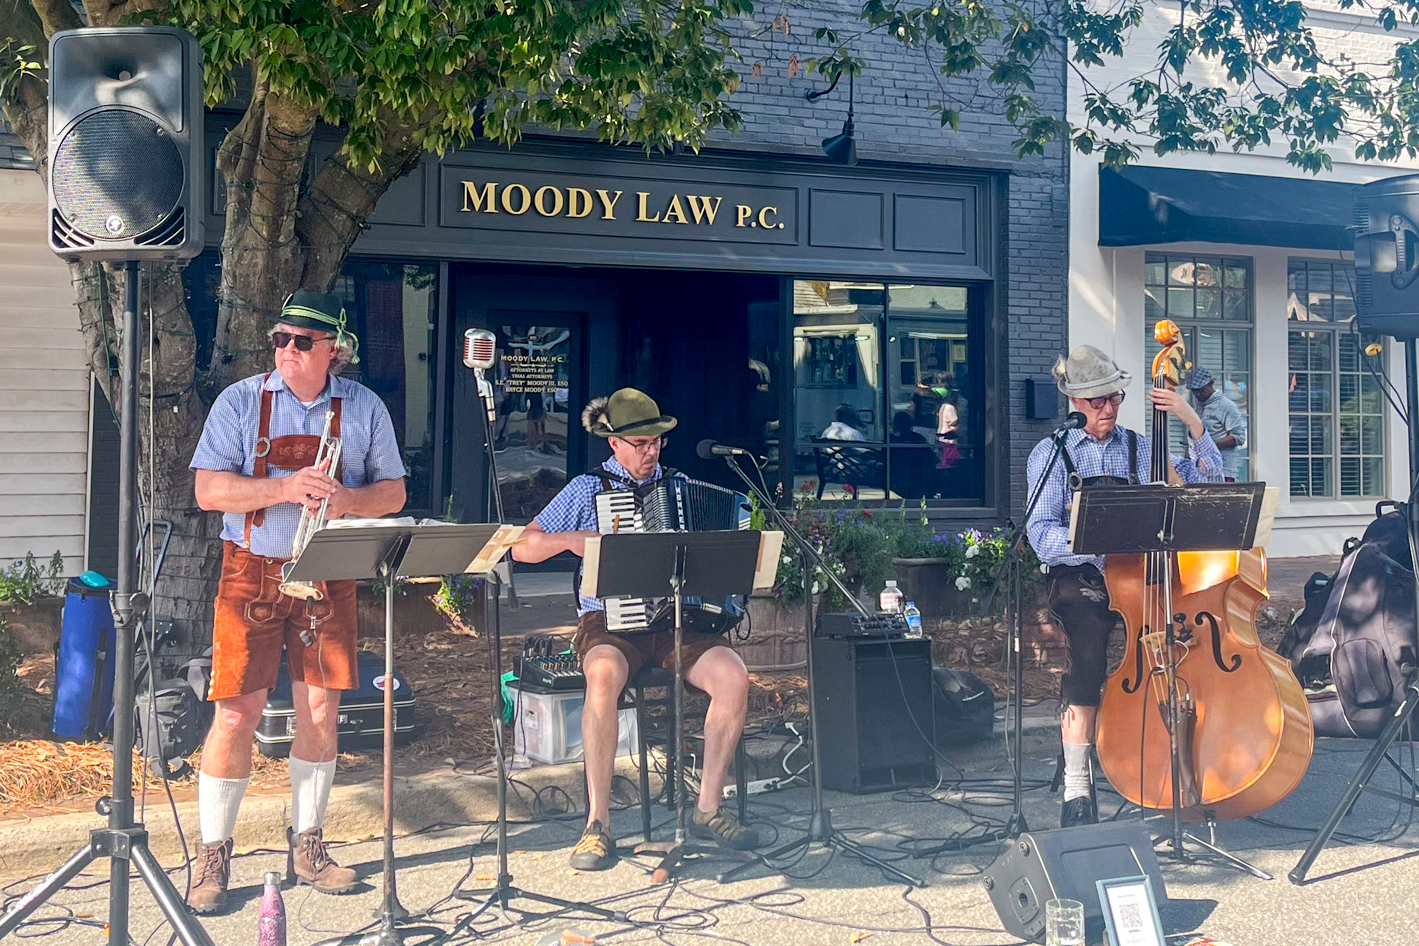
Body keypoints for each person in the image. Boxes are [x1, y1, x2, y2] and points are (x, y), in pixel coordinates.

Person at [187, 291, 407, 913]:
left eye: (301, 341)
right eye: (280, 339)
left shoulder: (363, 407)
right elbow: (208, 490)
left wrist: (345, 501)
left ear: (333, 349)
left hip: (331, 570)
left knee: (321, 710)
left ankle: (307, 843)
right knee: (235, 712)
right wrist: (284, 487)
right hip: (250, 569)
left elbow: (391, 493)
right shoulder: (240, 401)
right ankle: (212, 854)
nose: (286, 350)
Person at [512, 388, 760, 870]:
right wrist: (576, 540)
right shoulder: (588, 490)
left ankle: (708, 807)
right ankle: (597, 823)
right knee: (602, 675)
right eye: (642, 443)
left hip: (677, 620)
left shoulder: (683, 488)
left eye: (657, 443)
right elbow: (524, 547)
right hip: (609, 622)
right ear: (615, 445)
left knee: (733, 676)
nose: (651, 452)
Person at [1025, 345, 1222, 828]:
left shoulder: (1141, 446)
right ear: (1075, 402)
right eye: (1097, 402)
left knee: (1182, 647)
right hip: (1083, 575)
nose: (1108, 409)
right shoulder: (1052, 453)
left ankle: (1188, 761)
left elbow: (1210, 482)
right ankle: (1077, 783)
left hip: (1145, 575)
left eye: (1114, 398)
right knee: (1088, 653)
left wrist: (1191, 421)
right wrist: (1097, 549)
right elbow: (1042, 534)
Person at [1187, 367, 1248, 481]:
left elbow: (1239, 437)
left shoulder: (1226, 405)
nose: (1198, 394)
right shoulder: (1198, 406)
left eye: (1201, 390)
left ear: (1211, 384)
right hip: (1201, 470)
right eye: (1195, 391)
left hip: (1223, 471)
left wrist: (1209, 445)